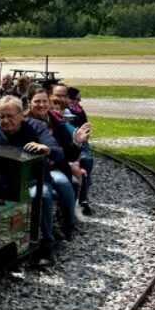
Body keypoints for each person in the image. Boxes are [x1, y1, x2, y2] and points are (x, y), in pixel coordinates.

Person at [0, 95, 64, 266]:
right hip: (5, 185)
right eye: (2, 117)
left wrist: (46, 148)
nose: (5, 120)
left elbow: (59, 153)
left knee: (41, 195)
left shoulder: (37, 127)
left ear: (22, 114)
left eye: (10, 116)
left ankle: (46, 247)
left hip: (35, 181)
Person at [25, 86, 81, 242]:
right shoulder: (23, 122)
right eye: (37, 101)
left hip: (55, 166)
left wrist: (77, 142)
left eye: (45, 101)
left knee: (63, 182)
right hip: (35, 169)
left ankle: (68, 224)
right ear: (29, 103)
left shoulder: (57, 122)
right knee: (55, 186)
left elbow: (70, 155)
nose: (41, 105)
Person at [53, 84, 95, 215]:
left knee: (85, 161)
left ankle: (81, 201)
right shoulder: (49, 120)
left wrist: (78, 143)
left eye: (63, 96)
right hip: (55, 161)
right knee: (74, 173)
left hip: (70, 153)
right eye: (58, 96)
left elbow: (77, 143)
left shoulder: (74, 114)